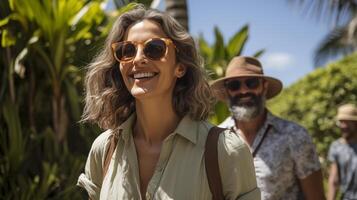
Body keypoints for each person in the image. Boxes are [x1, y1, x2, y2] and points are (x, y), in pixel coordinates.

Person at [77, 6, 260, 200]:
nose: (138, 59)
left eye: (154, 48)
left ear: (180, 67)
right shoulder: (104, 149)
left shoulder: (226, 152)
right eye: (127, 50)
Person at [211, 56, 325, 200]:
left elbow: (316, 197)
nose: (244, 91)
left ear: (264, 86)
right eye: (234, 85)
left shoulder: (295, 135)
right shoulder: (216, 139)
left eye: (251, 83)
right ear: (227, 91)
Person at [327, 103, 357, 200]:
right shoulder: (336, 147)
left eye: (347, 122)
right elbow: (334, 180)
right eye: (341, 122)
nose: (343, 126)